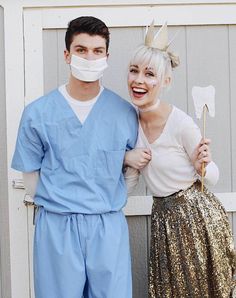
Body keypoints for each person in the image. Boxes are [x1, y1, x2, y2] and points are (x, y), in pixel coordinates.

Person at [11, 16, 138, 298]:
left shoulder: (123, 113)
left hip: (107, 226)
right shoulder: (38, 113)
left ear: (107, 56)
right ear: (67, 55)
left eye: (96, 51)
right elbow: (30, 179)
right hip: (57, 226)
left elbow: (132, 172)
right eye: (81, 50)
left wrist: (101, 199)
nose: (89, 57)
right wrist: (65, 202)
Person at [124, 21, 236, 297]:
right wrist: (126, 160)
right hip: (162, 218)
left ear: (166, 81)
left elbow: (211, 176)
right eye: (134, 71)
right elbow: (129, 183)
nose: (139, 80)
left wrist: (203, 165)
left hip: (195, 216)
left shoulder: (181, 123)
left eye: (149, 74)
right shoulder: (129, 123)